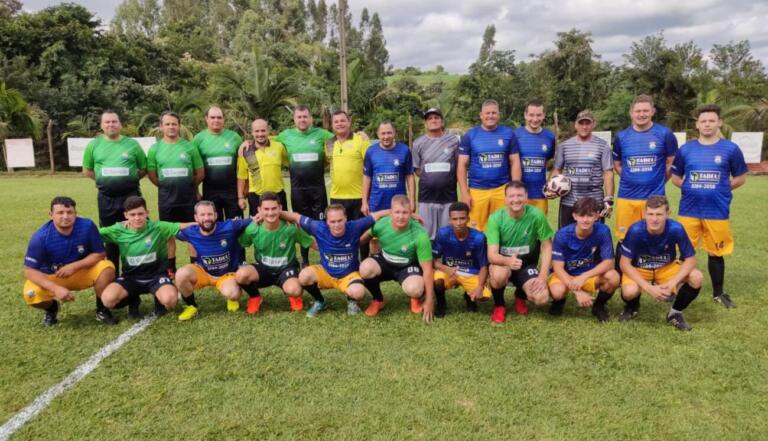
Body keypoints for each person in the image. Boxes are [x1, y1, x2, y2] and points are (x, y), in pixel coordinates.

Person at [671, 104, 747, 308]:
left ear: (719, 122)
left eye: (711, 121)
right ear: (697, 124)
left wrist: (723, 188)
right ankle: (675, 287)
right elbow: (676, 178)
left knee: (716, 252)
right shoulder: (686, 149)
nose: (707, 124)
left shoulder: (730, 149)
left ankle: (718, 293)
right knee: (684, 252)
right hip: (689, 209)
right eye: (703, 121)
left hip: (717, 211)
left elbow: (740, 177)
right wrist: (689, 187)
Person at [281, 205, 391, 317]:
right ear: (327, 221)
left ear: (346, 218)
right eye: (332, 221)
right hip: (326, 272)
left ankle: (351, 300)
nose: (337, 225)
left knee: (358, 292)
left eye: (340, 220)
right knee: (304, 276)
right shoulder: (318, 227)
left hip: (348, 275)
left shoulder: (355, 226)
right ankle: (320, 301)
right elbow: (295, 216)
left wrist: (396, 211)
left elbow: (377, 215)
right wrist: (272, 214)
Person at [22, 196, 117, 326]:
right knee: (31, 294)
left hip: (81, 272)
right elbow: (29, 271)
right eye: (60, 213)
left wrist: (74, 266)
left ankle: (102, 310)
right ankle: (51, 309)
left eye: (69, 212)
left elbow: (100, 253)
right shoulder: (40, 237)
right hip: (53, 276)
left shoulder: (87, 226)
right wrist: (56, 289)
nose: (65, 216)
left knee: (107, 268)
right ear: (51, 215)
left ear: (75, 213)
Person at [612, 95, 678, 271]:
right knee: (624, 236)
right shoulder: (622, 136)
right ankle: (621, 274)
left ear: (653, 111)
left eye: (645, 111)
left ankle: (657, 271)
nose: (641, 114)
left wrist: (660, 180)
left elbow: (671, 162)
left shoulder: (665, 134)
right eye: (638, 111)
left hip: (654, 197)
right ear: (631, 113)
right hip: (627, 196)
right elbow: (617, 164)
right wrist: (628, 178)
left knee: (656, 234)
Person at [619, 196, 703, 331]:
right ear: (645, 213)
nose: (654, 219)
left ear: (667, 214)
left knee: (696, 277)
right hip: (640, 268)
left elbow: (691, 259)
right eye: (650, 214)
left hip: (666, 267)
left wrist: (672, 283)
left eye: (659, 214)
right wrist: (648, 288)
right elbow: (624, 264)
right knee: (629, 292)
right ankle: (632, 306)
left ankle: (675, 313)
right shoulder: (635, 230)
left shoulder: (676, 228)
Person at [99, 196, 192, 318]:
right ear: (126, 215)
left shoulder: (158, 227)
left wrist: (211, 224)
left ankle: (160, 300)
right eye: (132, 215)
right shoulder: (118, 230)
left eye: (140, 214)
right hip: (130, 277)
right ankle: (133, 299)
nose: (137, 218)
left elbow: (186, 226)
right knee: (108, 300)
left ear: (147, 213)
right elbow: (93, 234)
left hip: (156, 276)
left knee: (170, 300)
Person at [82, 110, 147, 274]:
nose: (111, 125)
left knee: (133, 234)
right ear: (102, 125)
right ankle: (112, 276)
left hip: (131, 198)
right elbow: (87, 170)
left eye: (114, 121)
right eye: (107, 122)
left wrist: (127, 181)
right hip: (107, 199)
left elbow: (143, 169)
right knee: (111, 238)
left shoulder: (132, 144)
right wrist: (104, 182)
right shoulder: (94, 145)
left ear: (120, 124)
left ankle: (133, 276)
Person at [235, 192, 316, 315]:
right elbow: (240, 244)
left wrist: (335, 247)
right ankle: (255, 297)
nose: (270, 213)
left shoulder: (290, 229)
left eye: (274, 208)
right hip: (263, 269)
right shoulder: (253, 229)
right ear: (259, 210)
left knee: (294, 289)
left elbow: (312, 244)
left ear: (280, 208)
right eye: (266, 209)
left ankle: (293, 296)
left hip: (286, 269)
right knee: (241, 275)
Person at [359, 195, 435, 322]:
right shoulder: (381, 224)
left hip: (407, 265)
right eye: (397, 212)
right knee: (365, 268)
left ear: (411, 213)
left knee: (414, 288)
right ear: (391, 212)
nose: (401, 216)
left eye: (405, 212)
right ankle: (378, 299)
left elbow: (427, 270)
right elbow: (363, 239)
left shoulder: (420, 234)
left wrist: (429, 300)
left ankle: (415, 298)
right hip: (385, 260)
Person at [146, 111, 204, 275]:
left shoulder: (189, 146)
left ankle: (195, 266)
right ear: (161, 126)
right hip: (167, 199)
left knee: (192, 231)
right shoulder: (154, 149)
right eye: (167, 124)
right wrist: (167, 187)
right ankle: (170, 268)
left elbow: (200, 173)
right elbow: (152, 175)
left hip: (188, 198)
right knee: (167, 234)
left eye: (174, 124)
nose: (171, 127)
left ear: (179, 126)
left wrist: (190, 188)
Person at [173, 200, 253, 320]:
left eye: (210, 214)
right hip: (202, 271)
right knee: (180, 275)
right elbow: (167, 230)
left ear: (215, 215)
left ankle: (232, 298)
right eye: (202, 215)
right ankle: (191, 306)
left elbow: (253, 220)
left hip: (226, 274)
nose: (207, 218)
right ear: (196, 217)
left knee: (233, 293)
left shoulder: (229, 226)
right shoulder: (190, 232)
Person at [276, 105, 335, 267]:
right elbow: (264, 141)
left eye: (305, 117)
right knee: (301, 224)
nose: (302, 120)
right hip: (297, 190)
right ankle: (305, 259)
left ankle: (326, 255)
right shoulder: (285, 136)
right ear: (294, 119)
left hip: (318, 189)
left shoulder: (322, 134)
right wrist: (246, 142)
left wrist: (360, 134)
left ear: (310, 118)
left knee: (322, 224)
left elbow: (342, 137)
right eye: (299, 117)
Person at [486, 182, 553, 323]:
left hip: (526, 264)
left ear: (526, 197)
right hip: (503, 263)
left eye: (519, 195)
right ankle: (499, 305)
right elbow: (492, 255)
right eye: (511, 196)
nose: (515, 200)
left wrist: (542, 276)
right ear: (505, 199)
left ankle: (520, 295)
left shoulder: (537, 215)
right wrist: (508, 261)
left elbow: (547, 247)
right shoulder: (495, 218)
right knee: (498, 276)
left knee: (542, 298)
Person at [548, 197, 620, 322]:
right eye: (581, 216)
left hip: (588, 275)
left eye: (590, 216)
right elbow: (558, 268)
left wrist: (584, 276)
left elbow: (608, 263)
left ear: (597, 216)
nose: (585, 220)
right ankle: (558, 302)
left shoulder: (603, 231)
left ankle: (598, 307)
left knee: (613, 277)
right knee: (557, 292)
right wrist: (578, 292)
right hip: (566, 275)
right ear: (574, 216)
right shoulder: (562, 235)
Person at [458, 99, 521, 231]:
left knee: (503, 228)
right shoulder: (470, 135)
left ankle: (499, 252)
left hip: (501, 189)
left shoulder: (508, 133)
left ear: (498, 115)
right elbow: (462, 165)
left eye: (494, 113)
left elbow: (514, 161)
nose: (490, 116)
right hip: (477, 191)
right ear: (481, 115)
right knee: (476, 231)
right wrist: (464, 193)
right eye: (487, 113)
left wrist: (515, 190)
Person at [551, 110, 614, 229]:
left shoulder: (603, 145)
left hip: (594, 202)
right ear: (576, 125)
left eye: (587, 123)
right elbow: (557, 169)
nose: (584, 126)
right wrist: (553, 187)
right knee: (567, 237)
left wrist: (609, 200)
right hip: (569, 202)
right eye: (581, 123)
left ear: (593, 124)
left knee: (594, 241)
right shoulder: (564, 146)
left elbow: (608, 173)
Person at [432, 201, 491, 318]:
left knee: (485, 296)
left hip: (471, 273)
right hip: (449, 272)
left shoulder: (479, 238)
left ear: (468, 219)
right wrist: (445, 268)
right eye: (454, 219)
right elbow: (431, 260)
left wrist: (480, 286)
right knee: (436, 281)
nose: (458, 222)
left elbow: (484, 265)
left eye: (462, 218)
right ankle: (441, 305)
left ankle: (469, 297)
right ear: (449, 220)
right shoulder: (443, 234)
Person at [325, 111, 371, 259]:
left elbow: (370, 167)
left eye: (342, 120)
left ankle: (363, 261)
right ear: (332, 125)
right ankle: (344, 260)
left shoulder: (360, 140)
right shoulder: (328, 144)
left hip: (358, 196)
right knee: (339, 231)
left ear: (349, 122)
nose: (339, 123)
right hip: (337, 196)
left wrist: (366, 199)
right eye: (336, 121)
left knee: (361, 232)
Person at [412, 107, 458, 239]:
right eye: (430, 118)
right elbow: (417, 169)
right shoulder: (418, 143)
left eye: (436, 117)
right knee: (427, 235)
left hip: (448, 196)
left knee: (447, 234)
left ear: (442, 121)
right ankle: (429, 260)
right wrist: (433, 180)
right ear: (426, 123)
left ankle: (445, 260)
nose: (433, 120)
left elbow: (458, 165)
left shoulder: (453, 141)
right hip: (427, 196)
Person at [193, 106, 243, 220]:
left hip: (232, 191)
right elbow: (194, 169)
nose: (216, 120)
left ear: (224, 119)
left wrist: (243, 191)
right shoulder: (198, 139)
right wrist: (195, 191)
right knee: (214, 226)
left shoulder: (235, 137)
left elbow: (243, 166)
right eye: (213, 117)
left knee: (236, 226)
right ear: (206, 119)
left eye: (219, 117)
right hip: (210, 191)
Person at [236, 119, 288, 216]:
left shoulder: (279, 146)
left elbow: (289, 164)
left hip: (278, 194)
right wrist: (240, 197)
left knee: (282, 226)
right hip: (256, 196)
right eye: (257, 131)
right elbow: (241, 177)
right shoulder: (245, 151)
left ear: (268, 131)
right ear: (252, 132)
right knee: (258, 227)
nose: (260, 134)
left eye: (263, 131)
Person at [362, 121, 415, 214]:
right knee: (377, 229)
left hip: (400, 205)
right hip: (376, 204)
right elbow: (366, 177)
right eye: (383, 133)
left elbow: (410, 176)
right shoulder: (371, 152)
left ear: (394, 133)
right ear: (378, 134)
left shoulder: (404, 150)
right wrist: (364, 202)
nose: (386, 137)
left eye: (389, 133)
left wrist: (412, 200)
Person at [513, 100, 556, 214]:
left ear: (544, 115)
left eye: (539, 115)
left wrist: (551, 183)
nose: (535, 119)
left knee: (539, 230)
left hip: (540, 194)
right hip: (518, 195)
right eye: (531, 115)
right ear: (525, 115)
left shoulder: (550, 137)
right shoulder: (515, 135)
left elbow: (554, 164)